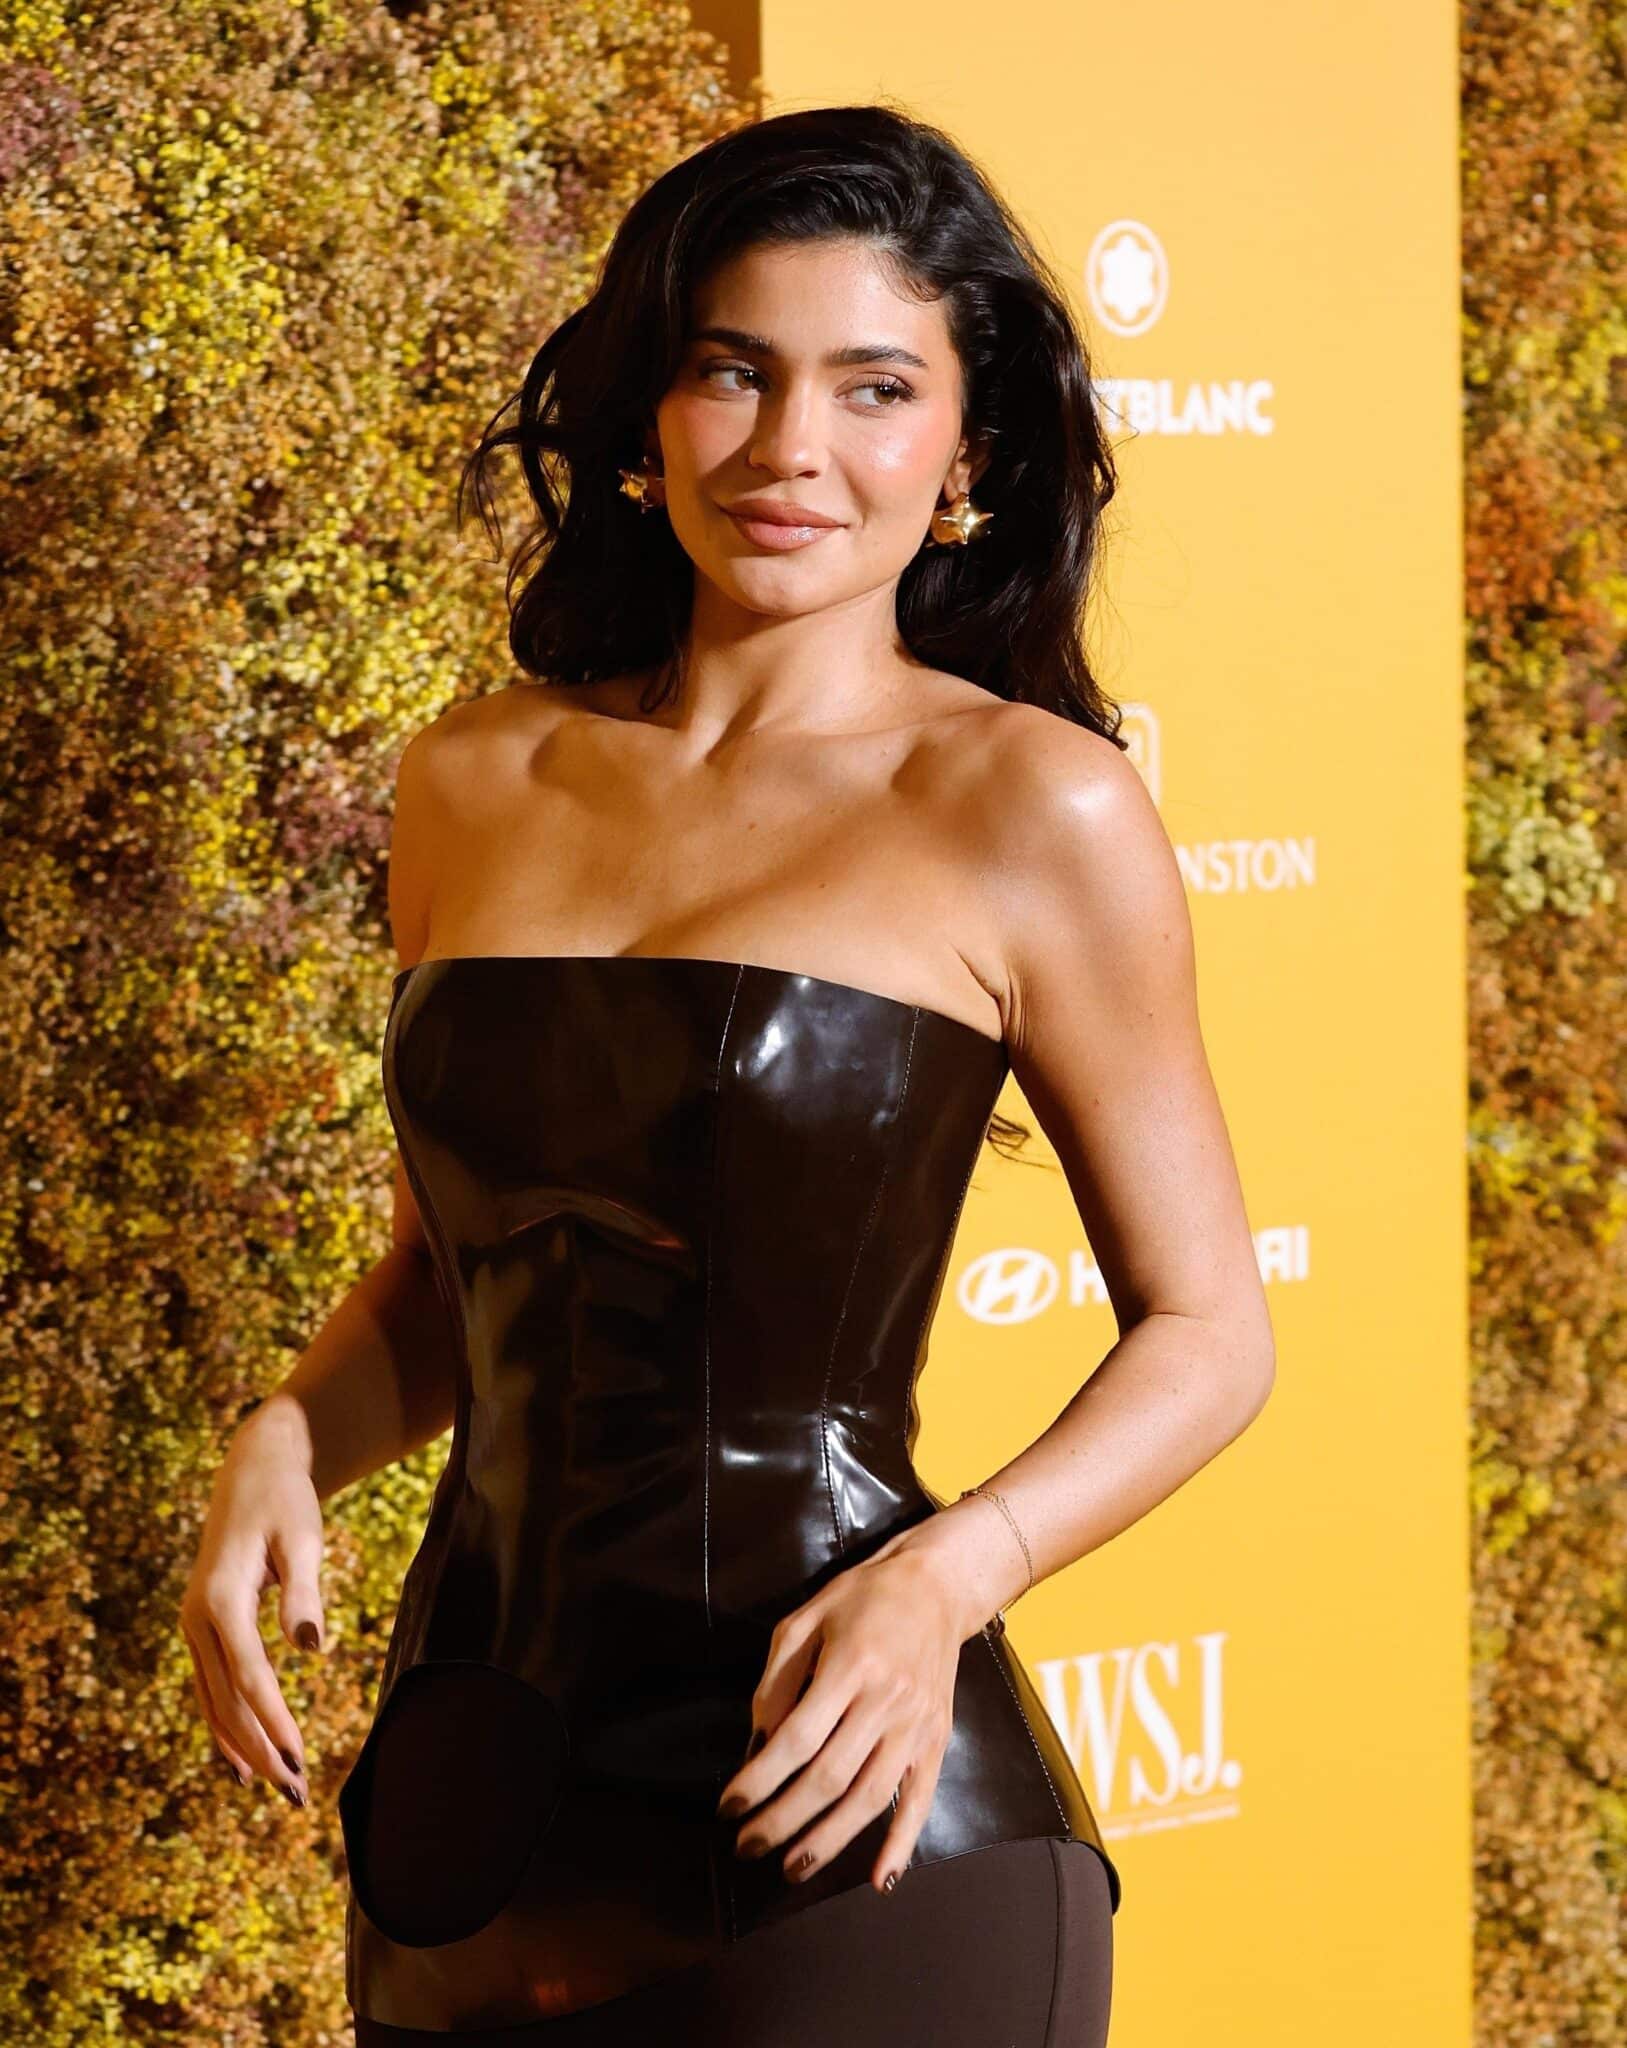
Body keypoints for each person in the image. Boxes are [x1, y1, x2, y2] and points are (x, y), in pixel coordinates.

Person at [179, 102, 1275, 2046]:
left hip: (856, 1805)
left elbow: (1208, 1331)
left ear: (966, 453)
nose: (790, 448)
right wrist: (287, 1432)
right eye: (732, 371)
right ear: (646, 416)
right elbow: (454, 1281)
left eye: (875, 389)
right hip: (474, 1804)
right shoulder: (474, 776)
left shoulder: (1031, 807)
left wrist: (949, 1579)